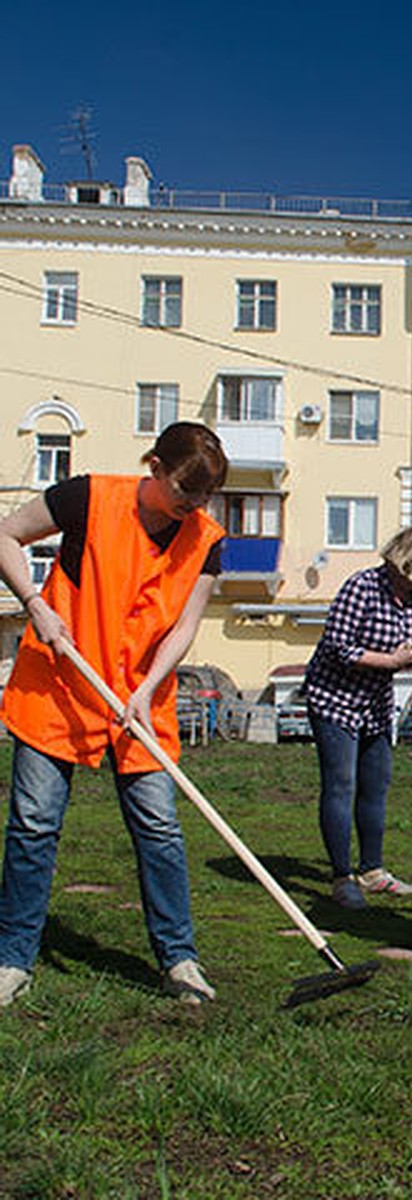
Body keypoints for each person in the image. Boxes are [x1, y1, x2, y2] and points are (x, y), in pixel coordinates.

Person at [0, 422, 228, 1007]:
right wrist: (35, 605)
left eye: (202, 499)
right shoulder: (87, 497)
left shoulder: (204, 538)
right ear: (153, 466)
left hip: (138, 702)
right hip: (60, 685)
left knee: (159, 830)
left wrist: (148, 688)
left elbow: (185, 627)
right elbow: (6, 535)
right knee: (34, 824)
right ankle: (12, 958)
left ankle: (179, 960)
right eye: (183, 492)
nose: (190, 508)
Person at [304, 526, 412, 910]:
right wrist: (392, 661)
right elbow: (339, 646)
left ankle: (373, 871)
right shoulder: (362, 587)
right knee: (341, 784)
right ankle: (342, 877)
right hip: (334, 698)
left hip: (374, 704)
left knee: (376, 783)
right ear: (408, 554)